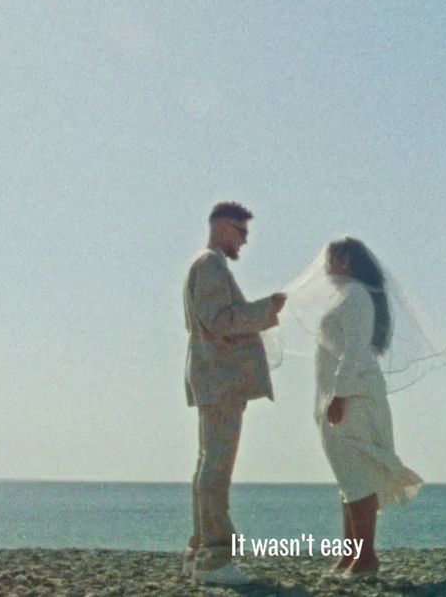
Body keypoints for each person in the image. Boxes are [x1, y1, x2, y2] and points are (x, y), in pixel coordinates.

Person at [181, 201, 286, 586]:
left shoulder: (206, 264)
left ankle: (199, 552)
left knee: (207, 465)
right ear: (225, 227)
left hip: (213, 380)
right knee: (216, 468)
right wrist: (268, 310)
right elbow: (221, 321)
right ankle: (215, 558)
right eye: (242, 233)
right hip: (220, 381)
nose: (244, 242)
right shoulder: (209, 265)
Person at [313, 237, 425, 578]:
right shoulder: (348, 295)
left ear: (346, 260)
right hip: (340, 394)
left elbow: (356, 351)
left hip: (353, 398)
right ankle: (350, 555)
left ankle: (366, 559)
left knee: (358, 477)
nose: (324, 263)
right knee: (349, 477)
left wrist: (340, 394)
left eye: (330, 256)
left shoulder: (357, 295)